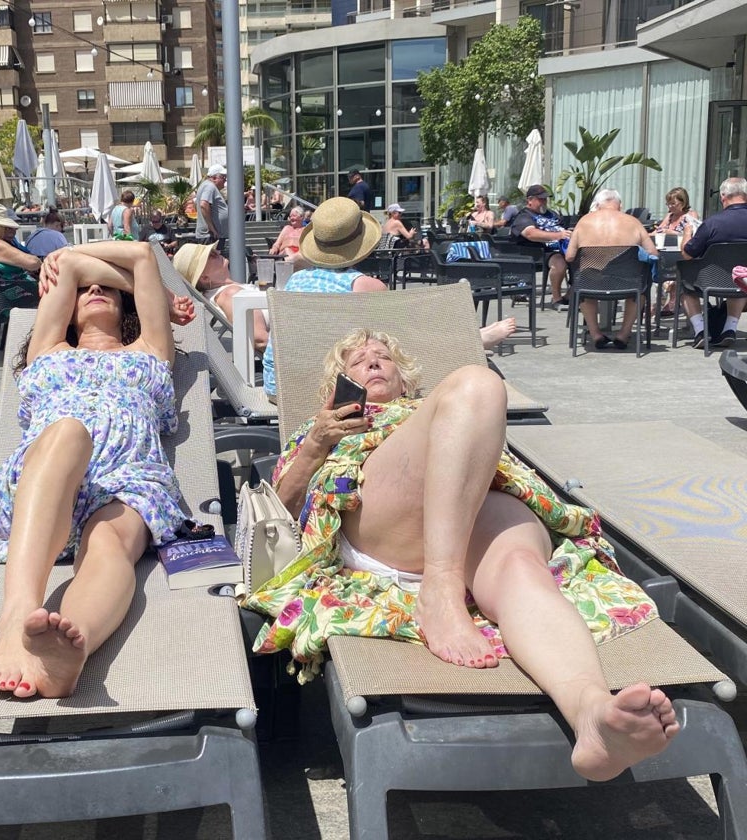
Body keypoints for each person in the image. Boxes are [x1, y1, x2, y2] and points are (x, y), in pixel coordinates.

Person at [245, 329, 678, 781]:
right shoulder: (318, 434)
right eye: (357, 361)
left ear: (406, 382)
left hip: (484, 508)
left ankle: (590, 713)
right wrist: (317, 443)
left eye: (383, 357)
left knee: (522, 571)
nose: (373, 362)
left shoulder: (443, 411)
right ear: (337, 385)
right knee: (479, 382)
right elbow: (281, 513)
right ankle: (441, 585)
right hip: (389, 528)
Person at [0, 241, 189, 699]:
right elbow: (66, 267)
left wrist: (144, 293)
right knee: (70, 432)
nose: (96, 290)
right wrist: (68, 265)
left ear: (129, 307)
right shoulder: (47, 349)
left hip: (129, 479)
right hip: (43, 481)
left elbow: (144, 255)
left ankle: (68, 649)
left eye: (109, 288)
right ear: (65, 306)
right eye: (86, 289)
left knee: (110, 544)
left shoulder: (150, 350)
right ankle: (16, 614)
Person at [260, 197, 514, 401]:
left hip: (282, 389)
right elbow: (401, 340)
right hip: (340, 389)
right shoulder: (367, 287)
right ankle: (473, 342)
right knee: (403, 346)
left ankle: (473, 340)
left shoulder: (295, 281)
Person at [563, 189, 658, 350]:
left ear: (598, 205)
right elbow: (653, 253)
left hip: (592, 283)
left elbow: (570, 257)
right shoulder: (633, 222)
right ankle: (623, 334)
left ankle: (595, 334)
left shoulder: (584, 222)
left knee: (583, 286)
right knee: (640, 292)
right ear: (619, 205)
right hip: (627, 283)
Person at [680, 176, 747, 349]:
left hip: (710, 281)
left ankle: (701, 331)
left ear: (723, 197)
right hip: (743, 281)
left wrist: (688, 232)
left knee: (686, 284)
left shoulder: (712, 224)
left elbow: (687, 254)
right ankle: (729, 329)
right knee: (740, 281)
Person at [174, 242, 269, 352]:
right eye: (212, 255)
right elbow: (260, 340)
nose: (218, 252)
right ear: (204, 277)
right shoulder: (230, 294)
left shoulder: (229, 290)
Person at [510, 184, 572, 310]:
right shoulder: (524, 216)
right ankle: (556, 298)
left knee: (587, 261)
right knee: (559, 263)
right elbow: (530, 234)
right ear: (530, 200)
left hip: (563, 248)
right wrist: (558, 235)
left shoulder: (552, 214)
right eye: (541, 199)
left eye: (545, 199)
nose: (544, 202)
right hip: (538, 251)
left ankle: (571, 296)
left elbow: (563, 228)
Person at [654, 187, 700, 315]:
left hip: (684, 256)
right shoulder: (669, 216)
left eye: (673, 203)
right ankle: (664, 302)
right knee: (655, 267)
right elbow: (658, 231)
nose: (670, 206)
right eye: (668, 203)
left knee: (674, 273)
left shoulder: (690, 216)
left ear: (683, 202)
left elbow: (694, 235)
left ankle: (669, 302)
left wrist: (671, 233)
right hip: (666, 255)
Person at [195, 164, 229, 252]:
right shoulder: (209, 186)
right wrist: (212, 228)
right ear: (214, 178)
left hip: (212, 235)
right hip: (211, 236)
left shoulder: (207, 186)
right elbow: (203, 204)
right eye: (223, 177)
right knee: (213, 264)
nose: (225, 180)